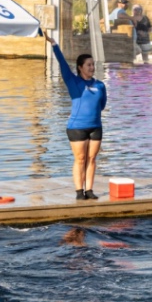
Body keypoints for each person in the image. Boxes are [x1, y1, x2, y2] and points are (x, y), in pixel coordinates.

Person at [49, 35, 108, 201]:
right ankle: (79, 191)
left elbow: (102, 105)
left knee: (92, 158)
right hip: (77, 127)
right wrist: (54, 45)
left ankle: (89, 190)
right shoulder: (73, 81)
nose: (92, 67)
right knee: (80, 159)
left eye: (93, 65)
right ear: (80, 68)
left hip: (96, 127)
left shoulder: (100, 85)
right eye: (88, 65)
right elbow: (62, 63)